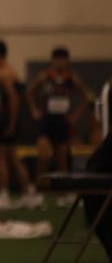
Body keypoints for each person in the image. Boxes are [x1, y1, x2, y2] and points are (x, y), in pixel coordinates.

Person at [0, 39, 39, 209]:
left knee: (0, 157)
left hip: (6, 119)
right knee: (14, 157)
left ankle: (4, 195)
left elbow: (14, 99)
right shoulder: (10, 71)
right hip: (8, 118)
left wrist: (11, 124)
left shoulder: (5, 74)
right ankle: (27, 193)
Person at [26, 47, 93, 185]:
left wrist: (75, 116)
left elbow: (86, 97)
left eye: (63, 59)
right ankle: (39, 185)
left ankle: (63, 188)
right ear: (53, 60)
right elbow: (29, 92)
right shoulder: (45, 76)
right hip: (46, 120)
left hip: (62, 120)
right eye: (57, 59)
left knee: (62, 156)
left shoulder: (72, 78)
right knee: (44, 155)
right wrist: (34, 109)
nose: (60, 62)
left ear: (67, 61)